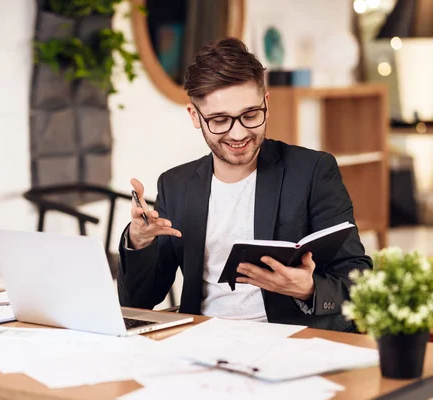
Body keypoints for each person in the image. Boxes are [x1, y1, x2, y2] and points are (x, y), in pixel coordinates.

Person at [117, 37, 372, 332]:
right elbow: (138, 302)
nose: (238, 133)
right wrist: (138, 240)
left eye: (250, 115)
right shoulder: (176, 184)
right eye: (220, 120)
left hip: (289, 341)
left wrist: (309, 288)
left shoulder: (312, 171)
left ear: (266, 102)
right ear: (194, 116)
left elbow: (359, 278)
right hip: (201, 340)